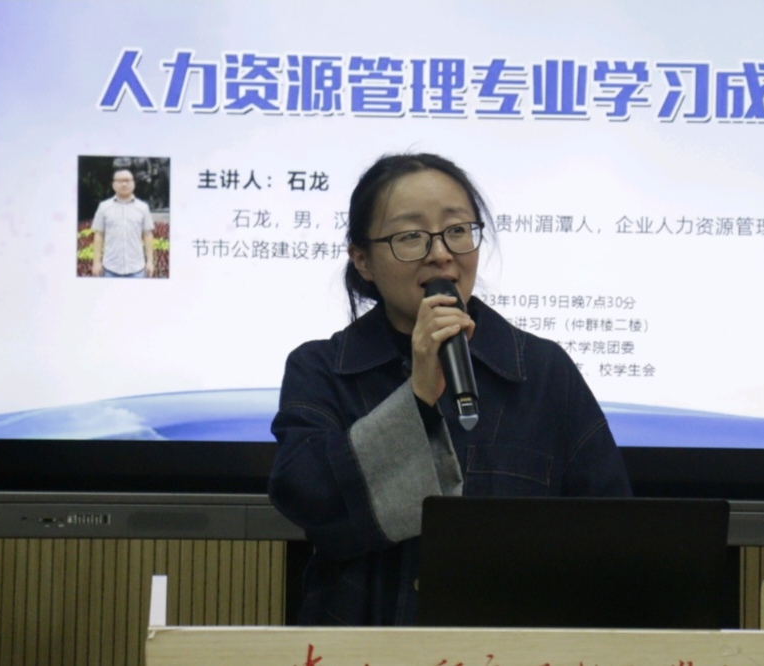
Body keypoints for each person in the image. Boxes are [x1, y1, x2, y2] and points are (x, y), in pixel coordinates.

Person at [267, 153, 631, 626]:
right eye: (410, 236)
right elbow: (308, 499)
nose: (441, 253)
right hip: (362, 649)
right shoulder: (321, 370)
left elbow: (611, 538)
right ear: (362, 260)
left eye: (457, 230)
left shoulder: (542, 371)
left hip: (507, 649)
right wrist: (417, 395)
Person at [90, 168, 155, 277]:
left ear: (133, 183)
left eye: (127, 180)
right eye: (120, 181)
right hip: (110, 268)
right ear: (113, 184)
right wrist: (96, 262)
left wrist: (150, 262)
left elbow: (147, 235)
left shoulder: (143, 208)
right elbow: (99, 235)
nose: (124, 184)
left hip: (137, 269)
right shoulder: (104, 207)